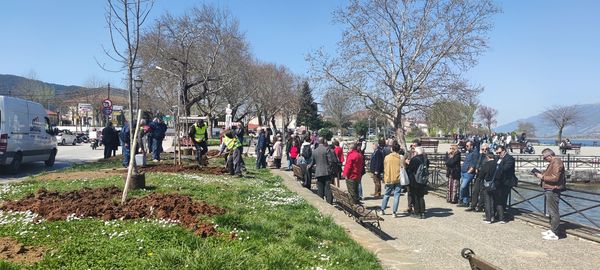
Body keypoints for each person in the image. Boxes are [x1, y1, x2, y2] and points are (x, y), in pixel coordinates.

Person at [535, 148, 566, 240]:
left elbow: (556, 178)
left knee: (554, 212)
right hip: (550, 188)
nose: (544, 159)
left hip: (553, 189)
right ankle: (552, 229)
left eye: (544, 158)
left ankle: (555, 233)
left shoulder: (556, 162)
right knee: (551, 211)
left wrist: (542, 177)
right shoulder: (553, 162)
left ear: (549, 156)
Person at [379, 143, 405, 217]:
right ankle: (394, 212)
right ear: (399, 149)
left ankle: (382, 209)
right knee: (396, 196)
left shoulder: (387, 157)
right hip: (398, 178)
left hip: (389, 178)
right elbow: (403, 167)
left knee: (386, 194)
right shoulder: (400, 157)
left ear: (392, 149)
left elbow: (385, 167)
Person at [494, 145, 517, 223]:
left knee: (503, 198)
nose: (498, 154)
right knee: (497, 198)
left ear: (504, 151)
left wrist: (497, 167)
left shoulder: (509, 158)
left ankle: (502, 215)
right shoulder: (497, 158)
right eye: (496, 153)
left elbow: (504, 169)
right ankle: (497, 214)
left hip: (506, 182)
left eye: (499, 153)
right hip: (498, 181)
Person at [310, 137, 338, 204]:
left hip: (318, 172)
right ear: (323, 141)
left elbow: (312, 162)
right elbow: (330, 161)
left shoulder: (315, 151)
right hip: (327, 172)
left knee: (320, 189)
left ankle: (321, 203)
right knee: (328, 189)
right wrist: (331, 170)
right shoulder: (327, 150)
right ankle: (328, 203)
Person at [466, 143, 490, 212]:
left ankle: (480, 206)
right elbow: (477, 163)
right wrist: (477, 168)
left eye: (486, 149)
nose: (484, 150)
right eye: (483, 149)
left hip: (485, 176)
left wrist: (480, 168)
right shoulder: (480, 155)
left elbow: (488, 166)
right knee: (475, 191)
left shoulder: (489, 156)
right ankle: (473, 205)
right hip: (478, 175)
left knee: (482, 192)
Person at [407, 146, 428, 219]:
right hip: (423, 180)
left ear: (416, 152)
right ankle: (422, 212)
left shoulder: (414, 159)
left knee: (415, 196)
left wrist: (408, 163)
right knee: (421, 196)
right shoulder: (425, 159)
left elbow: (410, 169)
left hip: (415, 180)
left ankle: (417, 212)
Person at [459, 141, 479, 207]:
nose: (466, 147)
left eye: (467, 146)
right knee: (465, 187)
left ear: (471, 146)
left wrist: (469, 171)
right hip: (463, 171)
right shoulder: (469, 152)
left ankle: (462, 199)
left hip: (468, 173)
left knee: (463, 186)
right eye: (466, 146)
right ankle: (465, 201)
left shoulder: (475, 153)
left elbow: (474, 163)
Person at [480, 152, 498, 223]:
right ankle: (493, 216)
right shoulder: (497, 164)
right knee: (493, 201)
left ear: (487, 157)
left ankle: (488, 218)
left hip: (487, 184)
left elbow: (481, 175)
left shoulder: (486, 164)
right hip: (495, 184)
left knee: (487, 201)